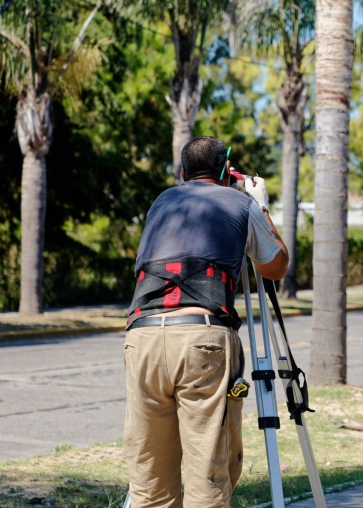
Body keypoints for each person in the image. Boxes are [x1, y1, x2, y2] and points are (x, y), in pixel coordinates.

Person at [123, 136, 288, 507]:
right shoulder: (240, 203)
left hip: (142, 338)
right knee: (207, 476)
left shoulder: (162, 202)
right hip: (202, 337)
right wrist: (260, 206)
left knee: (150, 480)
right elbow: (276, 266)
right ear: (227, 170)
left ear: (183, 171)